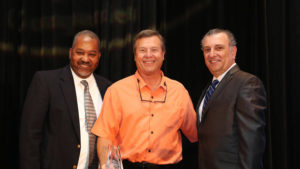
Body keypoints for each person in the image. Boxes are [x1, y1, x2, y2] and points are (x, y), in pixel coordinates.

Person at [91, 29, 198, 169]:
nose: (148, 55)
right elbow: (105, 136)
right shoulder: (116, 91)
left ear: (163, 54)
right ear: (135, 56)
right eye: (142, 50)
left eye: (154, 50)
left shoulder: (179, 92)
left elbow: (196, 134)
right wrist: (106, 163)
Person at [19, 30, 112, 169]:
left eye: (92, 54)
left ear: (99, 56)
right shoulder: (46, 82)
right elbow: (30, 137)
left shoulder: (108, 88)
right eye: (80, 52)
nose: (85, 59)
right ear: (70, 53)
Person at [196, 28, 267, 169]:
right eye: (207, 49)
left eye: (219, 48)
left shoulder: (247, 83)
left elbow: (251, 144)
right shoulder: (209, 88)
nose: (212, 54)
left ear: (233, 51)